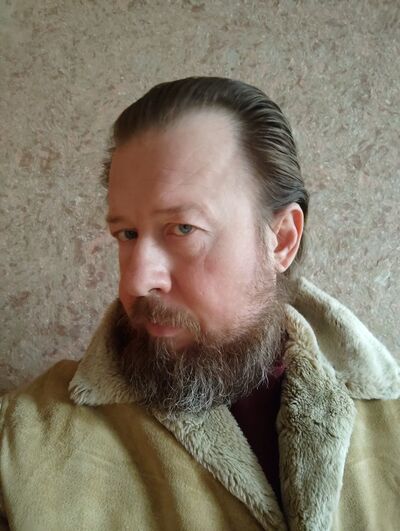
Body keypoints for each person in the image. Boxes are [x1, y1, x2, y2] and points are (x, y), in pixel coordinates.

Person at [0, 77, 399, 531]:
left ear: (282, 240)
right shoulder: (23, 443)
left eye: (183, 229)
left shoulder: (390, 426)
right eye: (127, 234)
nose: (136, 280)